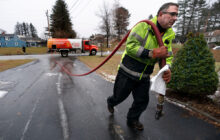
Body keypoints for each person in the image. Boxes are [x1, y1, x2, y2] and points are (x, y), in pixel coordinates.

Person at [107, 2, 179, 131]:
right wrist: (151, 53)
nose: (175, 18)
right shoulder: (143, 26)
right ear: (161, 14)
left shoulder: (169, 34)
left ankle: (132, 119)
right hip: (127, 72)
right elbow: (130, 47)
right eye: (172, 14)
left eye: (177, 15)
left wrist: (168, 68)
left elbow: (167, 55)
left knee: (142, 101)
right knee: (119, 97)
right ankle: (111, 102)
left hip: (144, 76)